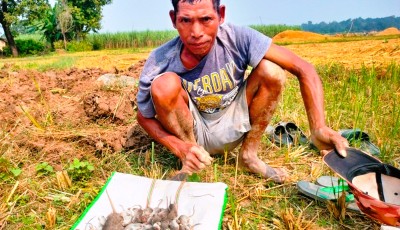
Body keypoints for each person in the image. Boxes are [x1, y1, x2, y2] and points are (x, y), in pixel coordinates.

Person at [136, 0, 349, 183]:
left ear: (220, 15)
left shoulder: (237, 38)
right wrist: (179, 147)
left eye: (206, 19)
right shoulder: (160, 58)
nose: (196, 33)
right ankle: (193, 160)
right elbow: (143, 116)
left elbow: (304, 69)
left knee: (271, 70)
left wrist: (318, 127)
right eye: (186, 20)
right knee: (163, 85)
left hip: (235, 120)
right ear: (174, 19)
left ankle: (248, 157)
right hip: (193, 129)